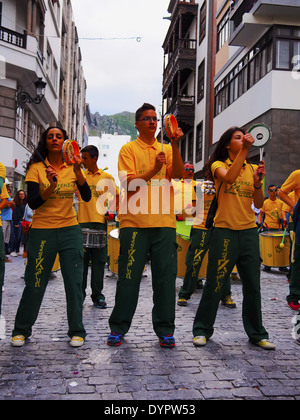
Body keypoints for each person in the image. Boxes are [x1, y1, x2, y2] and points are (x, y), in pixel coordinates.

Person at [107, 103, 184, 348]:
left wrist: (175, 144)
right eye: (147, 118)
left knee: (165, 279)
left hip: (164, 223)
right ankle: (118, 327)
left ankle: (165, 330)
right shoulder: (128, 149)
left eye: (155, 119)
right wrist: (154, 169)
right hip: (134, 223)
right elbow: (128, 184)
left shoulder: (166, 148)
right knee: (128, 278)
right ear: (137, 123)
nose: (152, 122)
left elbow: (179, 175)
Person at [192, 126, 276, 350]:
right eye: (238, 138)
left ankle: (257, 333)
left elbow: (258, 204)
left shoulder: (250, 168)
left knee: (253, 285)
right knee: (215, 282)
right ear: (228, 144)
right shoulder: (218, 165)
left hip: (248, 231)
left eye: (244, 137)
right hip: (224, 231)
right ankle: (201, 330)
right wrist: (245, 151)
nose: (243, 140)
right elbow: (228, 179)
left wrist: (258, 182)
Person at [11, 125, 91, 348]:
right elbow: (34, 202)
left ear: (66, 142)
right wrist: (51, 186)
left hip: (69, 230)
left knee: (74, 283)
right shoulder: (36, 168)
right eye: (50, 136)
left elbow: (86, 196)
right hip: (42, 231)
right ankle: (21, 329)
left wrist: (77, 172)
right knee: (35, 282)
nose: (55, 139)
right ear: (45, 142)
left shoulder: (74, 167)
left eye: (59, 136)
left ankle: (77, 330)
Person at [78, 145, 119, 309]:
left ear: (94, 159)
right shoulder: (79, 176)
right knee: (81, 263)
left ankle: (97, 296)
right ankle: (79, 295)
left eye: (85, 158)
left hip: (100, 224)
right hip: (82, 222)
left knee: (98, 263)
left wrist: (111, 211)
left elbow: (116, 197)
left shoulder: (107, 177)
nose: (82, 161)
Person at [278, 170, 300, 311]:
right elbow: (281, 192)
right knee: (297, 259)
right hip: (298, 222)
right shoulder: (297, 174)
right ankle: (294, 296)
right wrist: (295, 206)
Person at [258, 184, 286, 271]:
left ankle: (282, 265)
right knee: (268, 247)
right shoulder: (265, 202)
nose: (274, 192)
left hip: (278, 228)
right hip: (268, 227)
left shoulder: (281, 203)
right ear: (269, 192)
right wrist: (260, 223)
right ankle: (267, 264)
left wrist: (283, 220)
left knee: (279, 247)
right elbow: (260, 214)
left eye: (275, 190)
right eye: (272, 190)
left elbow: (283, 213)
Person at [10, 190, 26, 257]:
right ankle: (12, 250)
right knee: (16, 236)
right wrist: (16, 222)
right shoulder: (16, 203)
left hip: (23, 221)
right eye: (20, 194)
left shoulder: (25, 203)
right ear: (18, 195)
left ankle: (17, 250)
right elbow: (15, 213)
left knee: (20, 237)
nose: (22, 195)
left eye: (23, 194)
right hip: (17, 221)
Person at [0, 179, 14, 262]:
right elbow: (7, 204)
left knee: (6, 239)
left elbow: (12, 204)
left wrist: (10, 203)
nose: (8, 186)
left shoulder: (6, 194)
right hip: (3, 219)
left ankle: (4, 256)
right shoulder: (2, 193)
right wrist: (10, 203)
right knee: (2, 238)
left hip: (8, 219)